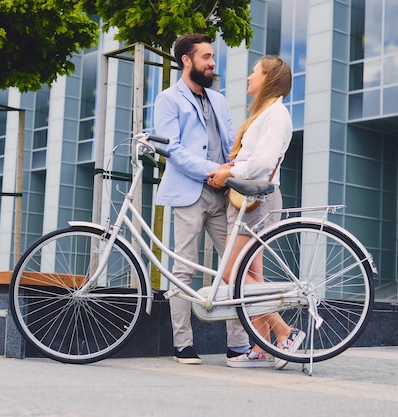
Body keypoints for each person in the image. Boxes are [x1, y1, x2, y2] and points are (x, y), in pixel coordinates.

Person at [153, 33, 251, 365]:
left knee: (235, 268)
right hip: (189, 193)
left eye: (212, 57)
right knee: (183, 269)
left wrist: (232, 168)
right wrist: (213, 169)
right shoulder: (168, 99)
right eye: (206, 57)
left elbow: (231, 144)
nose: (212, 62)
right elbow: (171, 149)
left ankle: (237, 346)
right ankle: (183, 345)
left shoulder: (218, 100)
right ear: (187, 60)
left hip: (224, 195)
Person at [207, 55, 302, 369]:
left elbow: (262, 163)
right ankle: (263, 348)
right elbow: (253, 158)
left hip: (257, 201)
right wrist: (229, 169)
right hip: (246, 200)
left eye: (254, 72)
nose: (249, 77)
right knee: (251, 274)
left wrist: (230, 175)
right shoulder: (266, 114)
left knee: (232, 273)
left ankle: (284, 332)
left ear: (269, 78)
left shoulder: (276, 114)